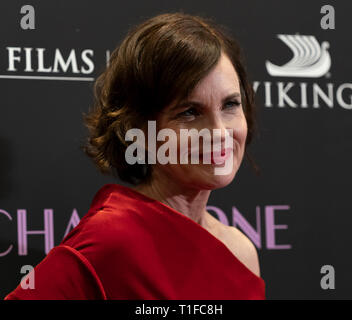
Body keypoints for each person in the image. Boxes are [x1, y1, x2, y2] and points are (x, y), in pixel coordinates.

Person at [4, 11, 265, 300]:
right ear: (139, 128)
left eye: (230, 105)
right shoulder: (111, 239)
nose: (218, 131)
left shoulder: (241, 252)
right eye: (190, 112)